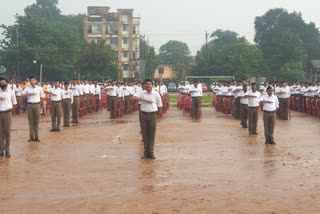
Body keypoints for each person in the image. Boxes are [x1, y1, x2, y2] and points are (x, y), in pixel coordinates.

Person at [134, 79, 162, 159]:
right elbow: (134, 97)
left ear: (152, 85)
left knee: (152, 134)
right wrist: (144, 100)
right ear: (145, 86)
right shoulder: (142, 93)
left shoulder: (156, 94)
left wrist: (158, 116)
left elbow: (160, 106)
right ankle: (146, 152)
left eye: (149, 84)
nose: (148, 85)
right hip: (144, 115)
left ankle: (151, 152)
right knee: (145, 134)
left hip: (153, 115)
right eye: (146, 84)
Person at [21, 76, 44, 142]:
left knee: (36, 121)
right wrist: (29, 94)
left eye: (33, 80)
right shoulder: (27, 88)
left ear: (36, 81)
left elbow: (42, 97)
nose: (32, 81)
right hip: (30, 105)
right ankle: (31, 137)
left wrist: (39, 103)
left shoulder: (39, 88)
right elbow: (22, 95)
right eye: (31, 80)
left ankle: (36, 136)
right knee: (30, 122)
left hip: (37, 104)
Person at [0, 76, 17, 157]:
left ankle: (7, 150)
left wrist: (11, 112)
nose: (2, 84)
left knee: (7, 132)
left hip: (7, 113)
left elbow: (14, 103)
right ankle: (1, 150)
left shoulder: (11, 92)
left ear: (7, 83)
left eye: (4, 83)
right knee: (1, 132)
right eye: (1, 83)